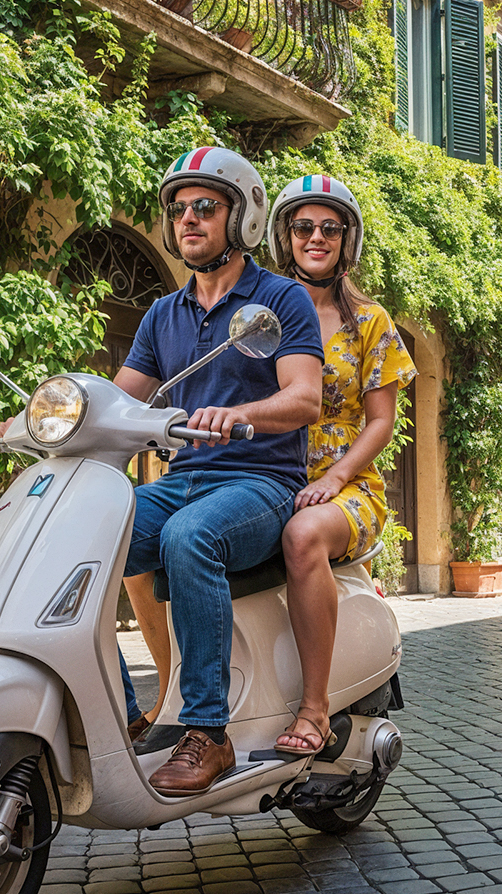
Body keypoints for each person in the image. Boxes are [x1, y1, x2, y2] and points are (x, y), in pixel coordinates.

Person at [112, 145, 325, 795]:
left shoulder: (281, 300)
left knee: (188, 538)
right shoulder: (162, 315)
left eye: (205, 206)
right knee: (93, 532)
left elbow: (305, 397)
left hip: (260, 482)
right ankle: (114, 710)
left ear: (242, 219)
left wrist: (239, 416)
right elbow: (122, 399)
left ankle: (207, 732)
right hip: (183, 480)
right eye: (178, 209)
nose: (188, 219)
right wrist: (46, 420)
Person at [263, 174, 415, 754]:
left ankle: (315, 708)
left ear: (346, 239)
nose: (316, 237)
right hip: (268, 476)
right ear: (286, 237)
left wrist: (335, 476)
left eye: (329, 227)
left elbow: (380, 421)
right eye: (304, 227)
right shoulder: (260, 314)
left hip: (346, 486)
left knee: (303, 536)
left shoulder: (371, 321)